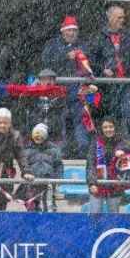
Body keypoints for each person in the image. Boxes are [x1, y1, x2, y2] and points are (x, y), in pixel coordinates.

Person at [90, 4, 130, 141]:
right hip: (108, 85)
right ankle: (113, 146)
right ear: (110, 18)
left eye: (123, 17)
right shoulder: (99, 37)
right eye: (119, 17)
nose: (122, 20)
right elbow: (91, 61)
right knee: (112, 117)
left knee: (128, 115)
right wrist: (102, 69)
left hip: (126, 82)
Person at [40, 15, 91, 158]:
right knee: (60, 124)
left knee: (80, 122)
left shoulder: (83, 46)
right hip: (59, 93)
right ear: (63, 32)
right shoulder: (52, 45)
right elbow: (46, 62)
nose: (72, 33)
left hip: (78, 92)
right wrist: (64, 56)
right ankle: (60, 155)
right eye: (69, 30)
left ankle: (82, 153)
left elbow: (90, 65)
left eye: (74, 30)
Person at [85, 116, 129, 213]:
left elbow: (127, 165)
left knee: (114, 216)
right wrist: (92, 183)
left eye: (111, 126)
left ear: (115, 127)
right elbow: (91, 164)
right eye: (105, 127)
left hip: (115, 186)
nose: (108, 129)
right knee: (95, 214)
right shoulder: (95, 143)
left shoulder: (123, 143)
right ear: (101, 129)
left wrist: (122, 154)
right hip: (98, 184)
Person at [19, 123, 62, 212]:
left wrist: (58, 179)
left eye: (41, 134)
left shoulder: (54, 150)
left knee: (49, 208)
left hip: (48, 184)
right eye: (36, 134)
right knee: (32, 209)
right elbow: (24, 166)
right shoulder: (27, 150)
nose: (38, 137)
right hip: (32, 184)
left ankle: (49, 223)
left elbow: (58, 165)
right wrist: (26, 174)